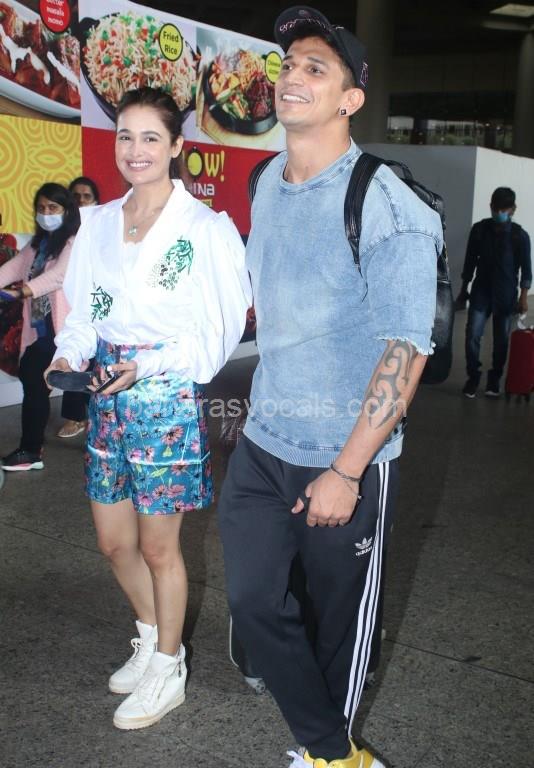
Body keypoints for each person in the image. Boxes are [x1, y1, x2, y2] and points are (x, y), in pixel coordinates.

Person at [217, 7, 442, 768]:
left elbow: (406, 351)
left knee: (340, 629)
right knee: (252, 602)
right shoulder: (263, 182)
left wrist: (347, 471)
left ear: (351, 99)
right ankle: (332, 744)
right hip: (262, 442)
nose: (293, 76)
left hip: (346, 454)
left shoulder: (386, 201)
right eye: (289, 65)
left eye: (317, 68)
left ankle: (327, 753)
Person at [45, 86, 251, 730]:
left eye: (151, 138)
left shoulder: (204, 229)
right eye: (125, 136)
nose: (135, 150)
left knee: (161, 550)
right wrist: (68, 353)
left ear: (177, 146)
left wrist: (148, 365)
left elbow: (217, 335)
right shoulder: (99, 222)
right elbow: (86, 311)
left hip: (164, 400)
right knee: (113, 542)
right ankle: (151, 634)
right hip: (107, 394)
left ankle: (169, 666)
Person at [0, 183, 80, 471]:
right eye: (42, 208)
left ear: (66, 211)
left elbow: (59, 277)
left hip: (66, 331)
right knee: (33, 381)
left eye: (53, 207)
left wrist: (21, 291)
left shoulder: (73, 242)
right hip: (40, 329)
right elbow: (12, 269)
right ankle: (32, 449)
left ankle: (31, 450)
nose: (46, 213)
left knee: (37, 382)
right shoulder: (38, 244)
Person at [456, 187, 531, 398]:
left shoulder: (519, 236)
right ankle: (473, 377)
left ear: (513, 209)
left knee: (501, 342)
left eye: (503, 209)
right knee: (472, 335)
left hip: (506, 297)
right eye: (496, 208)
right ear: (490, 206)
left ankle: (494, 379)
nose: (499, 213)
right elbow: (470, 262)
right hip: (481, 293)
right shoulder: (479, 230)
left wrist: (523, 297)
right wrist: (463, 290)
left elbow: (526, 269)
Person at [56, 177, 101, 438]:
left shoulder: (103, 229)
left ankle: (90, 419)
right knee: (73, 363)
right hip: (71, 313)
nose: (81, 201)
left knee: (93, 369)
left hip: (100, 313)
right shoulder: (64, 233)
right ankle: (76, 417)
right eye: (76, 196)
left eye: (86, 196)